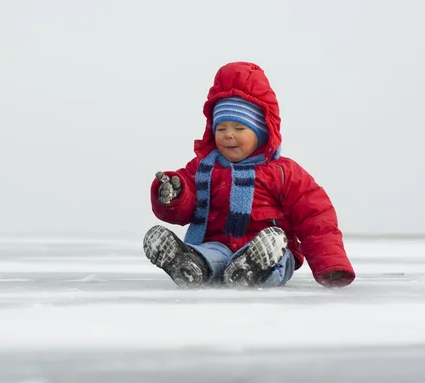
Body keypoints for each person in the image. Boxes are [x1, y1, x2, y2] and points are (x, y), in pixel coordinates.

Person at [144, 61, 355, 289]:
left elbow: (315, 218)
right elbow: (185, 209)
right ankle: (191, 265)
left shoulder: (284, 172)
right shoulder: (203, 168)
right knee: (210, 254)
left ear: (261, 132)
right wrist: (173, 195)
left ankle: (253, 270)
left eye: (239, 128)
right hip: (218, 245)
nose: (228, 136)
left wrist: (330, 264)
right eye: (221, 128)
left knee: (278, 256)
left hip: (271, 249)